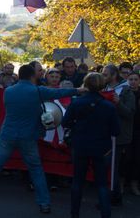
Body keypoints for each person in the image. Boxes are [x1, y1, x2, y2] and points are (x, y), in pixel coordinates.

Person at [0, 64, 85, 214]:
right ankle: (44, 203)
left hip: (8, 134)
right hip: (28, 136)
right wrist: (78, 90)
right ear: (32, 76)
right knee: (36, 170)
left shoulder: (8, 91)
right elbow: (59, 93)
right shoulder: (37, 91)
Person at [62, 73, 120, 218]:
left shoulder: (76, 102)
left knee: (77, 182)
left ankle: (74, 214)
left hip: (80, 145)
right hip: (101, 148)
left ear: (85, 84)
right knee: (101, 183)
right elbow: (116, 131)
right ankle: (105, 214)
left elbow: (65, 123)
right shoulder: (109, 106)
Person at [103, 63, 136, 205]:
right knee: (107, 166)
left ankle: (115, 197)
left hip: (119, 135)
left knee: (112, 166)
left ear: (114, 75)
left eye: (105, 74)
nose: (103, 77)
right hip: (105, 134)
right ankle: (113, 196)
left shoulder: (126, 91)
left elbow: (130, 113)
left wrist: (118, 103)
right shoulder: (104, 88)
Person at [126, 72, 140, 196]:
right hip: (126, 129)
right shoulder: (124, 93)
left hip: (138, 129)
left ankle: (134, 183)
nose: (133, 82)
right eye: (131, 79)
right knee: (126, 157)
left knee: (137, 157)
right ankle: (120, 183)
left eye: (136, 79)